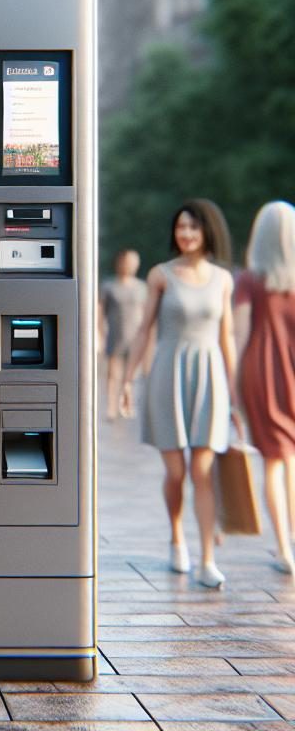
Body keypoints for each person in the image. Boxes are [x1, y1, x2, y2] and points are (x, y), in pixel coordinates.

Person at [123, 199, 240, 589]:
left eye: (192, 227)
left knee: (202, 472)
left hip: (211, 378)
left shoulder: (223, 279)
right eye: (180, 227)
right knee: (176, 473)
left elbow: (227, 340)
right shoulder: (160, 275)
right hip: (167, 376)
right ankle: (177, 536)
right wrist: (126, 379)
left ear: (208, 230)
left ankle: (207, 558)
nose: (185, 234)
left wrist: (236, 396)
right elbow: (144, 331)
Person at [233, 201, 295, 575]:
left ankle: (283, 547)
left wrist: (232, 388)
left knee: (274, 459)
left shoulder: (249, 280)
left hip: (263, 373)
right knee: (291, 459)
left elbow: (239, 336)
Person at [99, 249, 147, 420]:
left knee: (131, 374)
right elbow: (100, 310)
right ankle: (111, 406)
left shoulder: (142, 288)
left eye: (133, 262)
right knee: (113, 374)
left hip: (135, 336)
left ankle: (127, 404)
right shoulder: (109, 286)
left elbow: (146, 313)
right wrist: (99, 332)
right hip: (115, 333)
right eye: (126, 261)